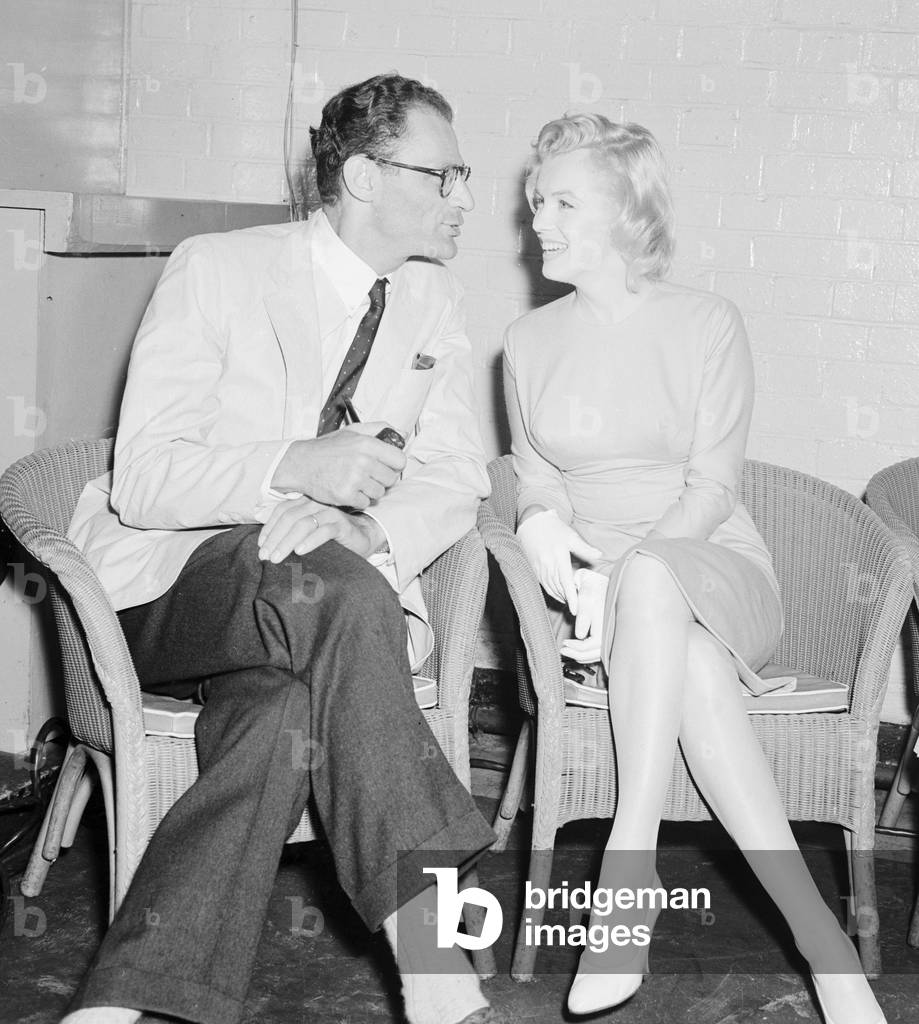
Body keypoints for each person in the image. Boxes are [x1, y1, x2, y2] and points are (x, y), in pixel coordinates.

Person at [62, 73, 505, 1024]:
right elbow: (144, 477)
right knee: (336, 593)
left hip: (312, 612)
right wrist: (295, 467)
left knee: (279, 711)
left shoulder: (432, 299)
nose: (464, 198)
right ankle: (430, 953)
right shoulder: (217, 268)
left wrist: (365, 527)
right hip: (171, 589)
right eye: (444, 175)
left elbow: (457, 473)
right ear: (364, 177)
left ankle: (122, 1001)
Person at [504, 112, 886, 1024]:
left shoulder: (707, 322)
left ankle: (623, 876)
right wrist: (538, 525)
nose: (537, 222)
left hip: (715, 568)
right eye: (535, 203)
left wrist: (624, 575)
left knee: (653, 579)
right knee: (695, 677)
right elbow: (536, 475)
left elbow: (712, 489)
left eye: (561, 203)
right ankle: (826, 949)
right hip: (605, 597)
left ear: (624, 209)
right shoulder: (524, 342)